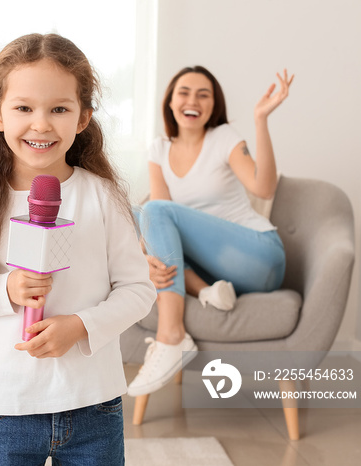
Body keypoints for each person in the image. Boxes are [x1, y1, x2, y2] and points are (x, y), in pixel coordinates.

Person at [0, 33, 156, 465]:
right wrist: (5, 289)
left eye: (59, 109)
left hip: (93, 403)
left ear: (83, 118)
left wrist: (81, 325)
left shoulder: (102, 197)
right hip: (5, 407)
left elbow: (139, 291)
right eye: (24, 108)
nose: (41, 124)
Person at [127, 66, 294, 397]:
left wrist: (261, 120)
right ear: (171, 102)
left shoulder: (224, 138)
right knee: (134, 214)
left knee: (152, 212)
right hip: (213, 267)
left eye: (204, 95)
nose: (193, 100)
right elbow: (156, 226)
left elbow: (264, 188)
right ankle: (206, 291)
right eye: (184, 93)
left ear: (213, 105)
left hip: (260, 257)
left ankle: (171, 335)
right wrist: (146, 257)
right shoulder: (159, 149)